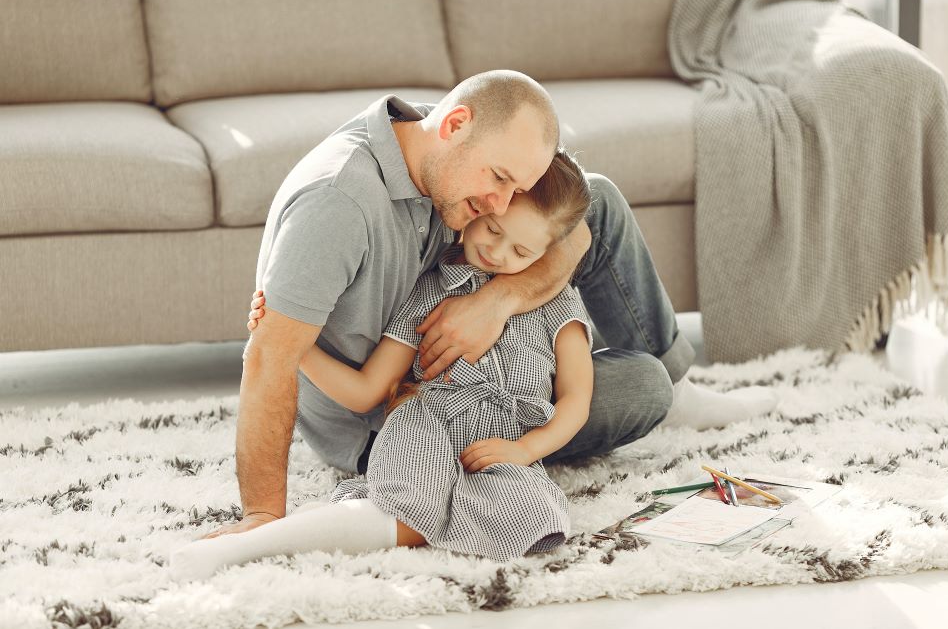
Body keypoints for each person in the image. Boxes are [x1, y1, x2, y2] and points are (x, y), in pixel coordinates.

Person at [207, 70, 778, 542]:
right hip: (396, 417)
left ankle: (681, 387)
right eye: (499, 179)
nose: (500, 202)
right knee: (640, 387)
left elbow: (571, 220)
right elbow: (269, 358)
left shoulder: (443, 144)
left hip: (486, 369)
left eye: (511, 185)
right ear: (454, 126)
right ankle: (664, 391)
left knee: (593, 197)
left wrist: (498, 300)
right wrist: (262, 516)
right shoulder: (338, 205)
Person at [170, 152, 594, 579]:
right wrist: (297, 346)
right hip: (426, 425)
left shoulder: (557, 302)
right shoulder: (429, 291)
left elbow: (576, 398)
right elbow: (366, 391)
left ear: (549, 252)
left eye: (521, 250)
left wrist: (527, 449)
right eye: (492, 229)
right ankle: (246, 547)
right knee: (410, 508)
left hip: (503, 445)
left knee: (530, 516)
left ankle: (364, 524)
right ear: (486, 204)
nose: (496, 252)